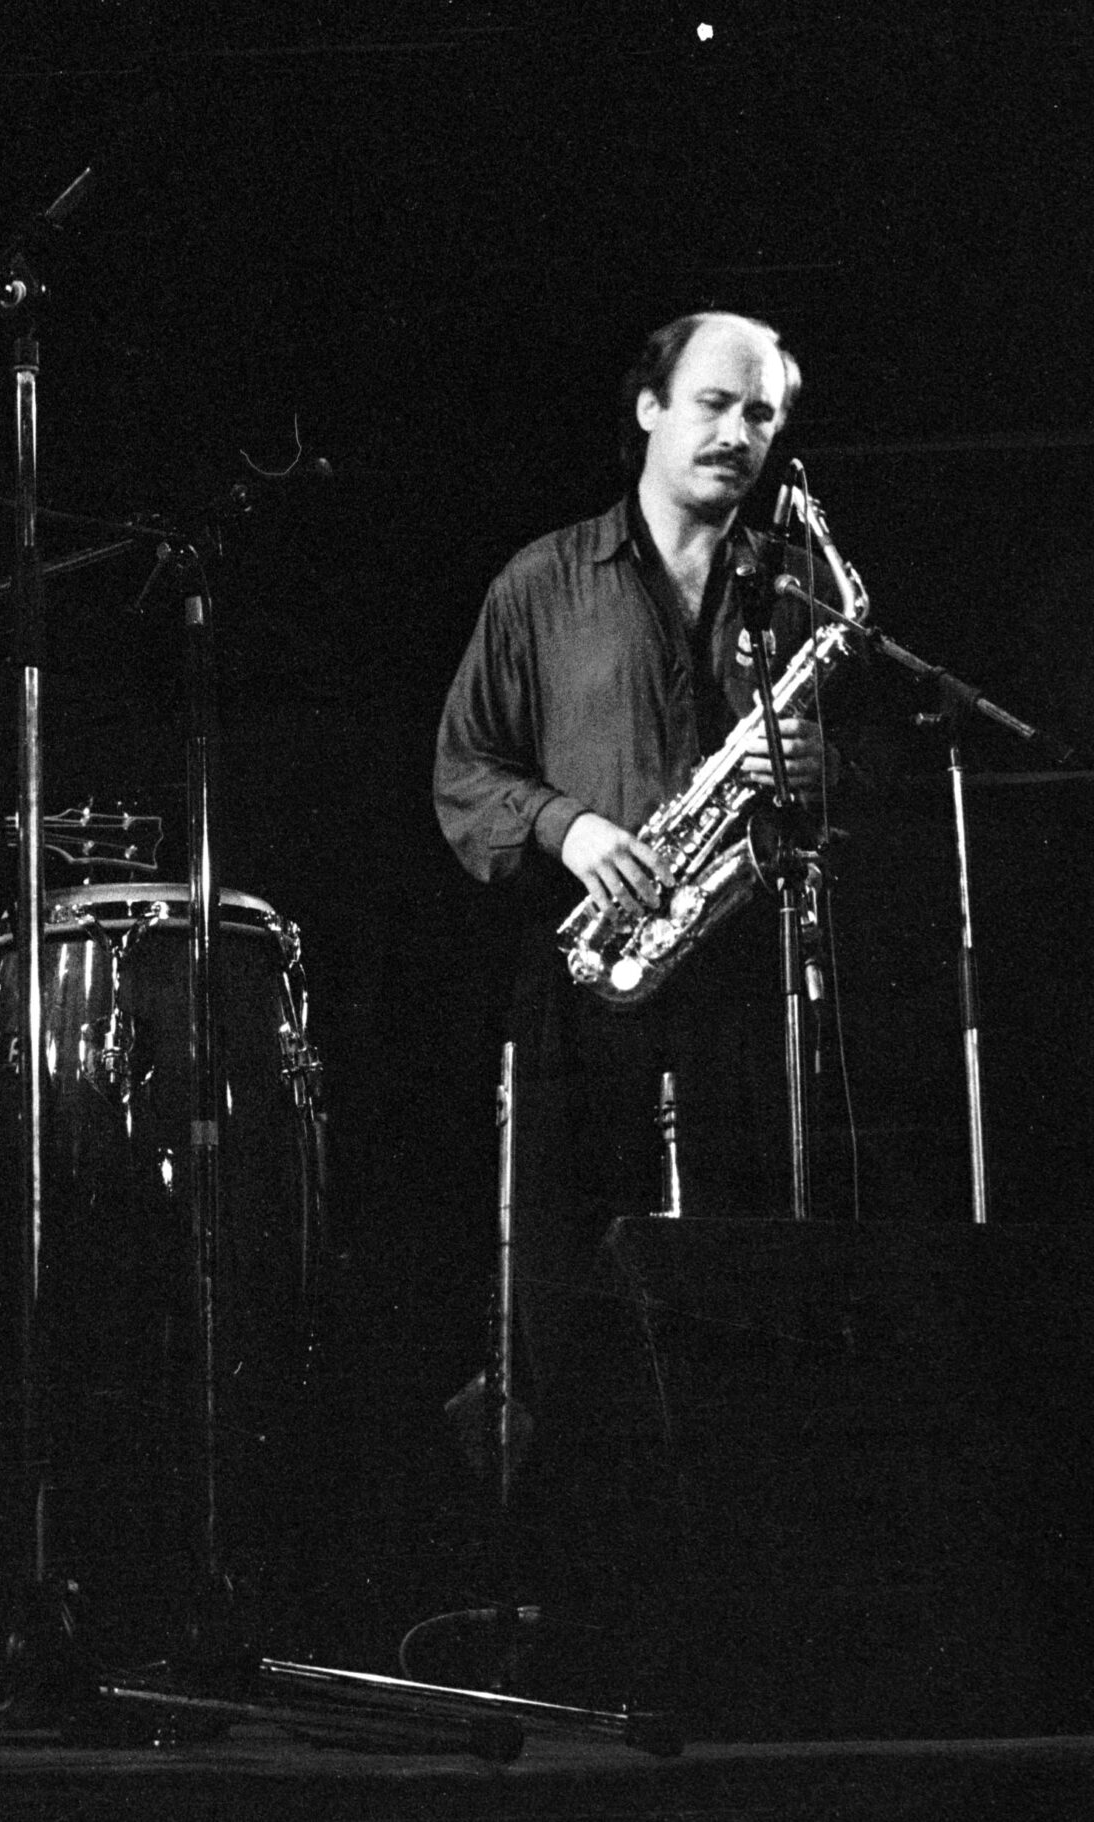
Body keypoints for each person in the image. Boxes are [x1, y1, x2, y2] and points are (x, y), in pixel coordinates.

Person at [433, 311, 836, 1644]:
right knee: (567, 1288)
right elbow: (463, 775)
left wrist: (808, 785)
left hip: (739, 983)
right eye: (717, 403)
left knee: (735, 1277)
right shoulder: (539, 585)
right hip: (583, 986)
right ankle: (582, 1583)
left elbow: (842, 808)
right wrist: (573, 826)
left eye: (765, 415)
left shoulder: (790, 600)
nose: (741, 432)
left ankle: (728, 1584)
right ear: (649, 411)